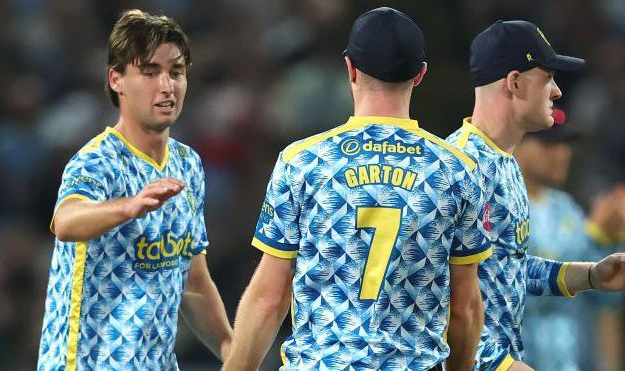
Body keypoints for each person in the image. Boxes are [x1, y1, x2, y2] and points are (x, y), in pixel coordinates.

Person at [223, 7, 492, 371]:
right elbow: (464, 307)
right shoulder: (456, 169)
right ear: (420, 75)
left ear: (350, 68)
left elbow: (270, 297)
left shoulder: (303, 162)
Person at [37, 9, 232, 370]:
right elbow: (66, 221)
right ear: (116, 80)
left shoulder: (188, 164)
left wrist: (234, 353)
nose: (166, 86)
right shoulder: (96, 161)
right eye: (149, 72)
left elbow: (193, 282)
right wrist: (129, 207)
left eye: (176, 72)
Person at [446, 20, 625, 371]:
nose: (557, 91)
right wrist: (500, 366)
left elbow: (507, 269)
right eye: (548, 78)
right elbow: (430, 293)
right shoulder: (457, 166)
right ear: (514, 82)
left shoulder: (506, 165)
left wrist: (590, 274)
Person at [515, 114, 625, 371]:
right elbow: (525, 294)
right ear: (519, 144)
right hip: (519, 359)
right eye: (549, 144)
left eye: (565, 145)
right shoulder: (501, 205)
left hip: (569, 361)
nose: (562, 153)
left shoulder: (567, 210)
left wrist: (609, 244)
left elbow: (601, 300)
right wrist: (592, 235)